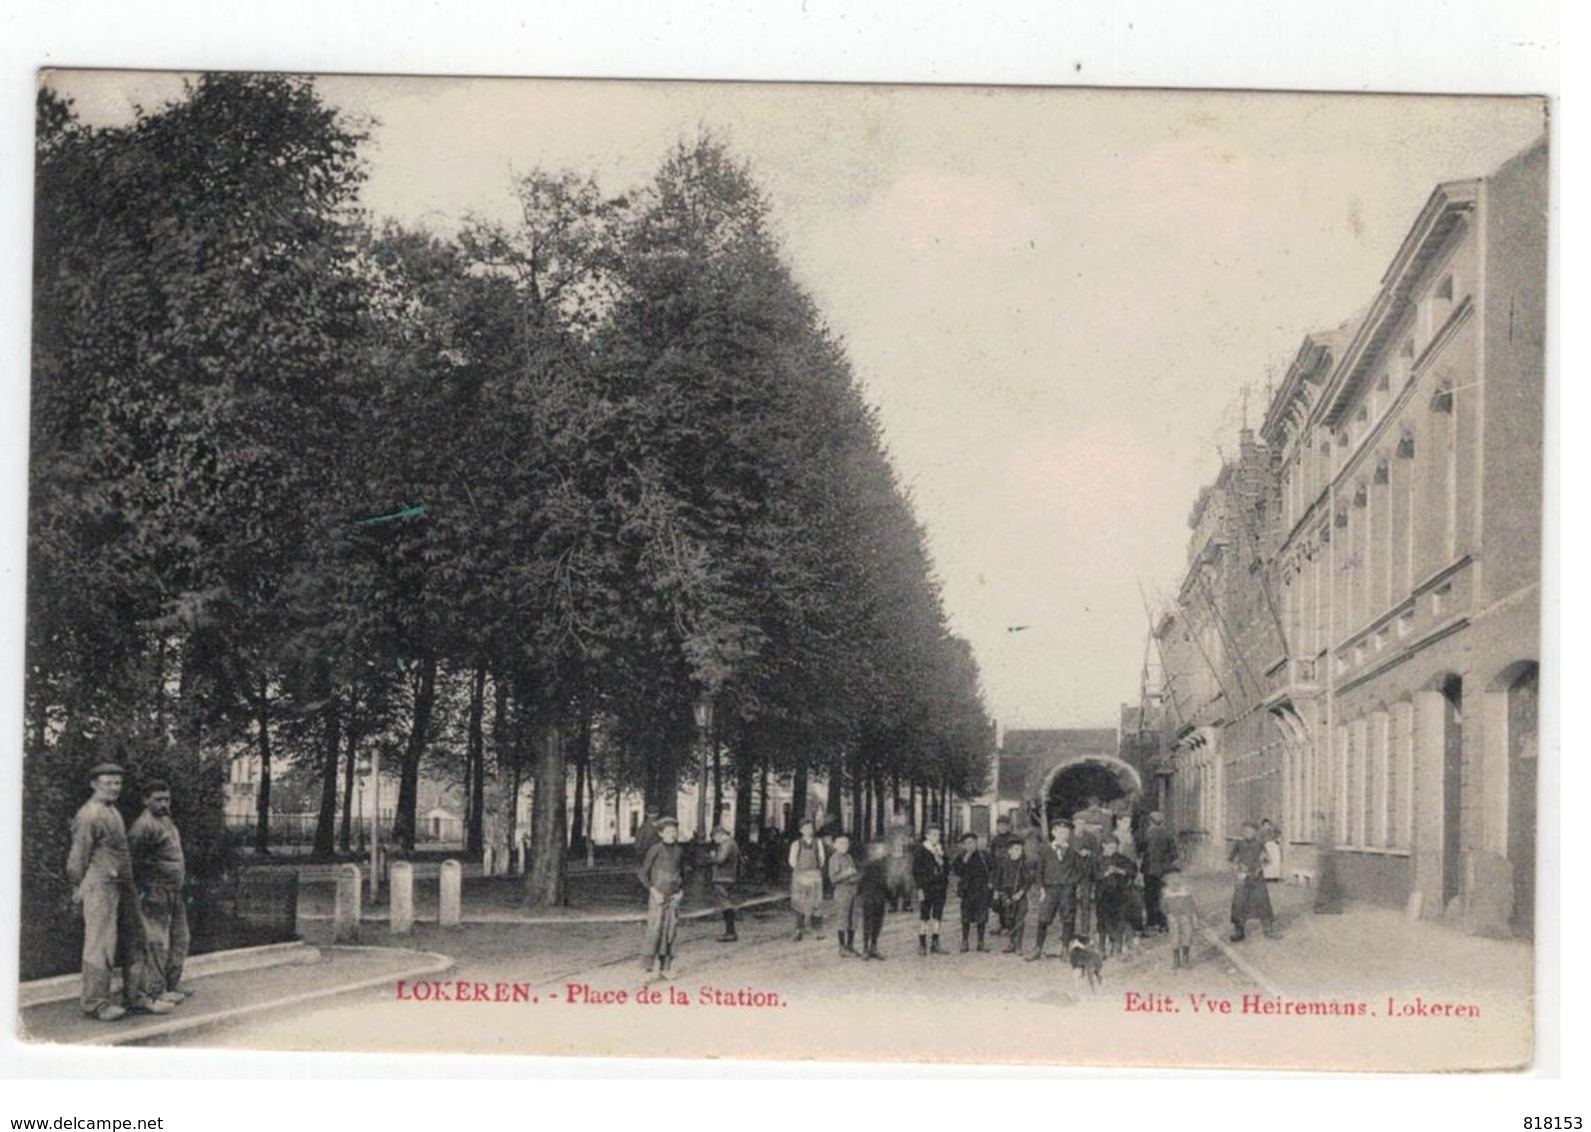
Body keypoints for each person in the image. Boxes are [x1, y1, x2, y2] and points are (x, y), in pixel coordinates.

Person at [66, 763, 171, 1021]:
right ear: (94, 784)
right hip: (100, 886)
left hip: (124, 884)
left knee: (136, 939)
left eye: (118, 783)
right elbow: (77, 858)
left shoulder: (113, 811)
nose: (114, 788)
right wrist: (76, 887)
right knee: (100, 944)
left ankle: (137, 997)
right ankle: (95, 1003)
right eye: (108, 782)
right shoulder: (89, 815)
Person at [128, 779, 191, 1005]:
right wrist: (143, 891)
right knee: (157, 942)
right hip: (155, 891)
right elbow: (133, 862)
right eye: (158, 799)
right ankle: (156, 990)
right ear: (146, 800)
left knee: (180, 939)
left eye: (167, 799)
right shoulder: (143, 826)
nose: (164, 803)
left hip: (175, 891)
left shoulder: (166, 820)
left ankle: (172, 983)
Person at [1026, 821, 1092, 962]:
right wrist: (1042, 889)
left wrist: (1072, 882)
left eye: (1066, 833)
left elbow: (1081, 870)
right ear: (1053, 833)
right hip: (1050, 889)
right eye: (1060, 832)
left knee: (1068, 919)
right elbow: (1039, 871)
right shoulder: (1045, 850)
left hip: (1067, 890)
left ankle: (1064, 950)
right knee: (1043, 918)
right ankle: (1038, 949)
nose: (1063, 836)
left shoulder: (1073, 852)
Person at [636, 816, 686, 978]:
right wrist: (654, 892)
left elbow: (683, 874)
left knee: (670, 932)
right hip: (658, 897)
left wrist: (681, 892)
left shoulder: (679, 851)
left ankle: (666, 968)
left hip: (673, 898)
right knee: (655, 930)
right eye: (668, 831)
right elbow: (642, 874)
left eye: (674, 831)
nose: (672, 834)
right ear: (661, 833)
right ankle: (648, 968)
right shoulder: (655, 849)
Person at [1229, 822, 1280, 941]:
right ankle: (1239, 931)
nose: (1246, 833)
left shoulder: (1259, 844)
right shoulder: (1239, 844)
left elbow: (1267, 860)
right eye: (1244, 831)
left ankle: (1268, 930)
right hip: (1242, 878)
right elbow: (1231, 860)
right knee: (1239, 904)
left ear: (1255, 832)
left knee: (1263, 903)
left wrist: (1261, 863)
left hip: (1257, 878)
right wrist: (1237, 867)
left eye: (1249, 831)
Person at [1093, 835, 1138, 957]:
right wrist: (1106, 873)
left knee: (1119, 920)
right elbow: (1092, 875)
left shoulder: (1122, 859)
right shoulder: (1096, 859)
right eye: (1111, 847)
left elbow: (1133, 871)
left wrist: (1119, 870)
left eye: (1115, 847)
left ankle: (1117, 947)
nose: (1113, 849)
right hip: (1102, 895)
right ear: (1103, 846)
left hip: (1120, 895)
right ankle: (1102, 949)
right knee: (1102, 922)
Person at [912, 825, 952, 955]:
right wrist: (919, 889)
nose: (936, 838)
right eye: (933, 835)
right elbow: (916, 871)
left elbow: (947, 869)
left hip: (940, 887)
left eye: (938, 835)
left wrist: (942, 862)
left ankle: (935, 942)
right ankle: (922, 943)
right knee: (924, 915)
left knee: (938, 914)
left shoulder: (941, 849)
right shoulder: (921, 850)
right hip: (926, 887)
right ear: (927, 836)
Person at [952, 832, 994, 952]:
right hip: (967, 891)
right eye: (966, 843)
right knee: (966, 917)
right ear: (963, 845)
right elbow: (957, 872)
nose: (970, 846)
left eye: (972, 843)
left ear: (976, 843)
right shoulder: (960, 857)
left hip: (981, 890)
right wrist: (965, 860)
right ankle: (965, 941)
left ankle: (981, 942)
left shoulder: (984, 856)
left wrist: (991, 883)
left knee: (982, 916)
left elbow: (993, 869)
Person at [993, 837, 1034, 954]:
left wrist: (1020, 893)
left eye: (1020, 850)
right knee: (1009, 919)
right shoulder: (1003, 863)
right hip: (1006, 895)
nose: (1018, 852)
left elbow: (1028, 881)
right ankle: (1012, 943)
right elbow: (997, 879)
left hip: (1020, 895)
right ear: (1009, 851)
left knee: (1019, 919)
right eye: (1015, 849)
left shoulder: (1023, 865)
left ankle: (1019, 946)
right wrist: (996, 893)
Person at [1141, 810, 1179, 934]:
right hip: (1164, 871)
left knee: (1149, 897)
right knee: (1163, 896)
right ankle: (1163, 923)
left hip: (1149, 870)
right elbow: (1174, 854)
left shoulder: (1146, 834)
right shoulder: (1168, 834)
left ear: (1150, 822)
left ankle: (1151, 923)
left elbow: (1141, 851)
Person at [788, 819, 827, 941]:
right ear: (801, 830)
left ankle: (817, 930)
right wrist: (801, 870)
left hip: (814, 874)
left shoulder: (818, 843)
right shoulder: (796, 844)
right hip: (800, 875)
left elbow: (821, 859)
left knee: (816, 903)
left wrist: (813, 870)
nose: (809, 830)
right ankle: (798, 930)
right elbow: (792, 861)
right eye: (806, 828)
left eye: (811, 827)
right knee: (799, 903)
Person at [827, 833, 862, 957]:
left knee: (853, 919)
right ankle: (842, 948)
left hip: (853, 890)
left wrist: (858, 878)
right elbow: (833, 879)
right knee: (843, 919)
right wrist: (847, 874)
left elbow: (854, 872)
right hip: (842, 891)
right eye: (841, 843)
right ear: (835, 845)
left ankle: (850, 945)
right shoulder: (834, 858)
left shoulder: (849, 857)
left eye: (846, 843)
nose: (845, 846)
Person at [857, 840, 891, 960]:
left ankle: (874, 947)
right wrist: (860, 894)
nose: (883, 852)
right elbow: (860, 882)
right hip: (869, 897)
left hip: (880, 898)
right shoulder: (868, 865)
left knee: (878, 923)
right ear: (873, 852)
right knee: (868, 923)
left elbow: (886, 882)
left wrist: (889, 896)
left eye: (883, 850)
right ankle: (865, 948)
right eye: (880, 850)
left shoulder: (885, 864)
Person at [1161, 866, 1200, 970]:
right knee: (1174, 937)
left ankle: (1186, 957)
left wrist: (1195, 917)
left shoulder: (1186, 889)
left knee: (1187, 935)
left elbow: (1192, 903)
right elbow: (1163, 905)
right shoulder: (1165, 891)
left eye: (1176, 877)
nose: (1174, 881)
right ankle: (1176, 958)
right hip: (1172, 917)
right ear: (1166, 880)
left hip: (1186, 916)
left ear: (1181, 878)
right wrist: (1167, 913)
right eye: (1170, 878)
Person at [710, 826, 741, 942]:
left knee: (725, 904)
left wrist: (712, 856)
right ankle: (730, 931)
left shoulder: (726, 844)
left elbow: (720, 860)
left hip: (722, 877)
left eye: (714, 838)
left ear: (719, 834)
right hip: (728, 877)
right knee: (726, 903)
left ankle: (730, 932)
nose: (715, 841)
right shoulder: (732, 843)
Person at [886, 818, 915, 912]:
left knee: (907, 882)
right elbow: (887, 845)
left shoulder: (909, 829)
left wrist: (909, 842)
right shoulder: (890, 830)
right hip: (894, 860)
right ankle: (893, 904)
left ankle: (907, 904)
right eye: (898, 816)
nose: (900, 819)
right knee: (893, 882)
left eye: (903, 816)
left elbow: (912, 843)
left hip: (905, 859)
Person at [1260, 818, 1284, 882]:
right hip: (1266, 846)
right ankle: (1267, 877)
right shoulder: (1262, 831)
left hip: (1274, 845)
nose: (1266, 826)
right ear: (1263, 825)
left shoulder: (1273, 829)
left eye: (1268, 824)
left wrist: (1277, 840)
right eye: (1265, 825)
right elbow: (1261, 840)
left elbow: (1279, 833)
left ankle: (1275, 876)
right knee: (1267, 861)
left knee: (1275, 860)